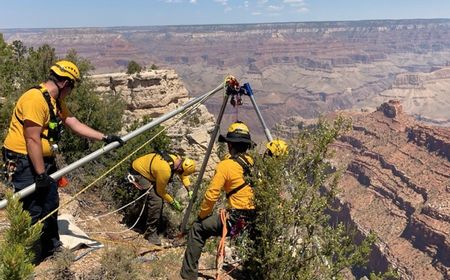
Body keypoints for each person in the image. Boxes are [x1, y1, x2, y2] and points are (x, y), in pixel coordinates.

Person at [2, 60, 123, 262]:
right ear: (66, 83)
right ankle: (24, 258)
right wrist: (41, 174)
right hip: (22, 160)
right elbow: (32, 139)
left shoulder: (55, 100)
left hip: (42, 159)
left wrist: (104, 137)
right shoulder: (35, 99)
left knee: (50, 202)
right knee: (31, 208)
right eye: (73, 86)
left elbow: (72, 122)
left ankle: (51, 247)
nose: (72, 90)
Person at [180, 121, 256, 280]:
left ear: (229, 145)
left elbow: (211, 195)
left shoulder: (225, 165)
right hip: (255, 218)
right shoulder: (253, 163)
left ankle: (188, 275)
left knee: (198, 229)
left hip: (236, 219)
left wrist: (202, 216)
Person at [129, 150, 196, 245]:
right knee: (157, 200)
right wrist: (173, 202)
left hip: (148, 170)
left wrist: (189, 190)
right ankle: (150, 233)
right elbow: (161, 191)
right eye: (181, 172)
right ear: (180, 167)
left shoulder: (177, 160)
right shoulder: (165, 170)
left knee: (156, 199)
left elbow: (183, 175)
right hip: (139, 172)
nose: (180, 174)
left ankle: (154, 224)